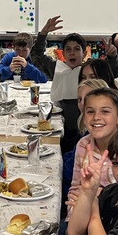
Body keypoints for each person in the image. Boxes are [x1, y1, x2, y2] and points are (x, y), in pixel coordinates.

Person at [30, 16, 88, 152]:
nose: (72, 53)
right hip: (60, 119)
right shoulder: (57, 68)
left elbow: (112, 72)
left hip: (82, 123)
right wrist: (43, 33)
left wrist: (113, 57)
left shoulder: (89, 70)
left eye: (76, 49)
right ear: (63, 53)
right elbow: (36, 56)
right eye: (68, 49)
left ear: (84, 53)